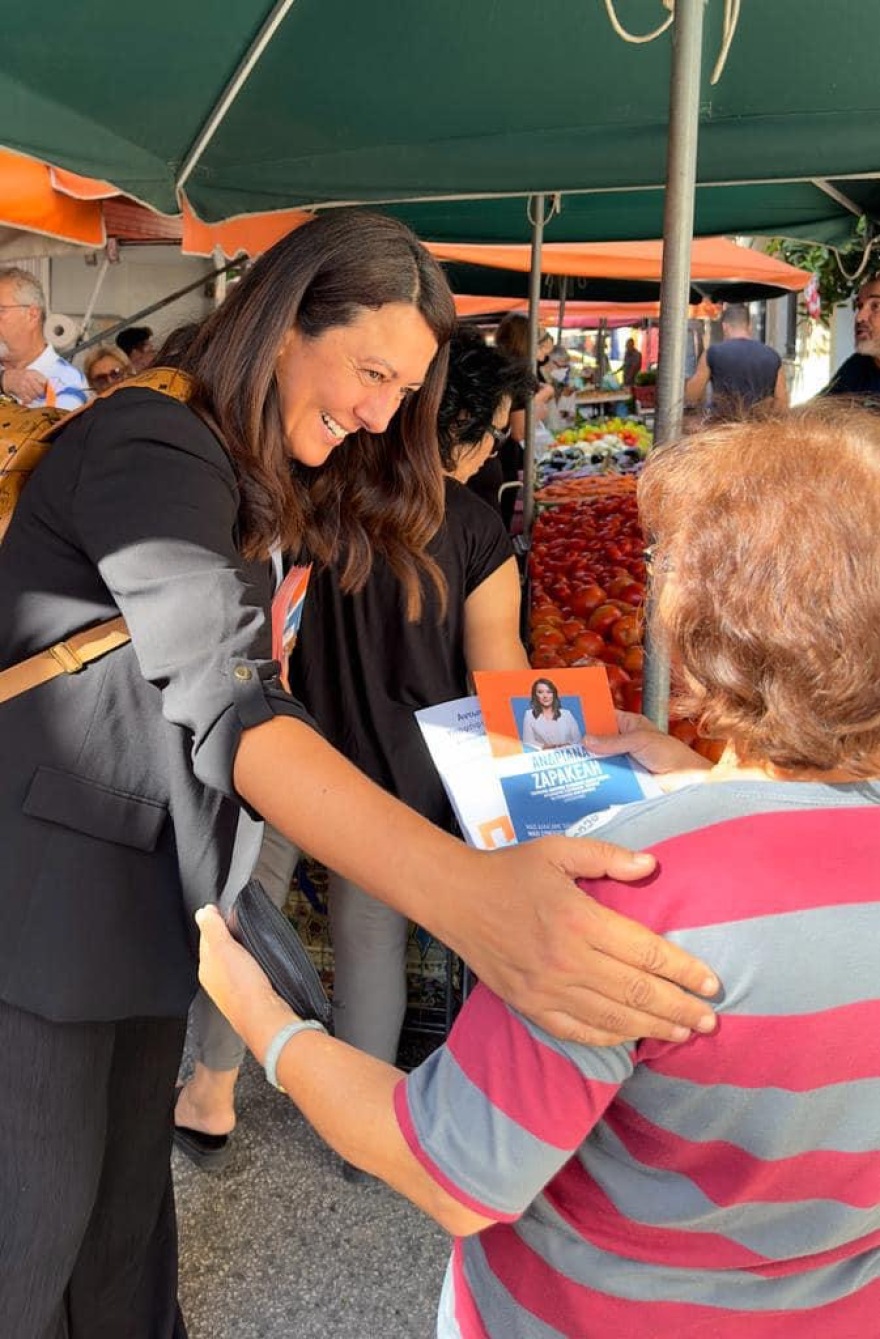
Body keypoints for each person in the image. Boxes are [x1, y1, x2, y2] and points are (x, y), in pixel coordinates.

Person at [0, 211, 718, 1338]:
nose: (383, 412)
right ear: (284, 325)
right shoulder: (151, 446)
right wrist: (475, 900)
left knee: (124, 1224)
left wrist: (607, 754)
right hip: (40, 916)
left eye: (407, 388)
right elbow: (233, 699)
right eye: (371, 370)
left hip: (149, 901)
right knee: (31, 1230)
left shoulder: (262, 466)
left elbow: (497, 677)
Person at [199, 402, 880, 1337]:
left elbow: (453, 1171)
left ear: (702, 620)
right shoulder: (477, 532)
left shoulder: (629, 882)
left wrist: (266, 1021)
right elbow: (502, 669)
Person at [174, 326, 536, 1171]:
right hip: (404, 778)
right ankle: (362, 1134)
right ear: (467, 434)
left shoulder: (314, 492)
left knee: (247, 922)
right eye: (493, 433)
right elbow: (501, 673)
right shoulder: (477, 530)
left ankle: (211, 1096)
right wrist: (548, 791)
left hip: (283, 755)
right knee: (371, 938)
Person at [0, 265, 89, 409]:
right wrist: (3, 381)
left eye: (0, 310)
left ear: (32, 314)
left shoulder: (67, 382)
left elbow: (49, 429)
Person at [685, 302, 787, 419]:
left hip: (723, 429)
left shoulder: (712, 353)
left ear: (724, 327)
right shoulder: (773, 356)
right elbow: (782, 405)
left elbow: (692, 396)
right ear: (749, 327)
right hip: (758, 430)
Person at [819, 273, 880, 405]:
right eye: (859, 306)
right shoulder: (858, 365)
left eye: (875, 306)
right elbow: (818, 412)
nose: (859, 317)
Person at [521, 676, 582, 750]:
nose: (545, 696)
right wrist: (549, 747)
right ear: (535, 695)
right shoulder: (529, 715)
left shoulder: (567, 714)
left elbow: (577, 739)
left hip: (569, 755)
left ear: (554, 694)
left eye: (549, 692)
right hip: (545, 757)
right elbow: (528, 742)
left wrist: (567, 746)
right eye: (540, 692)